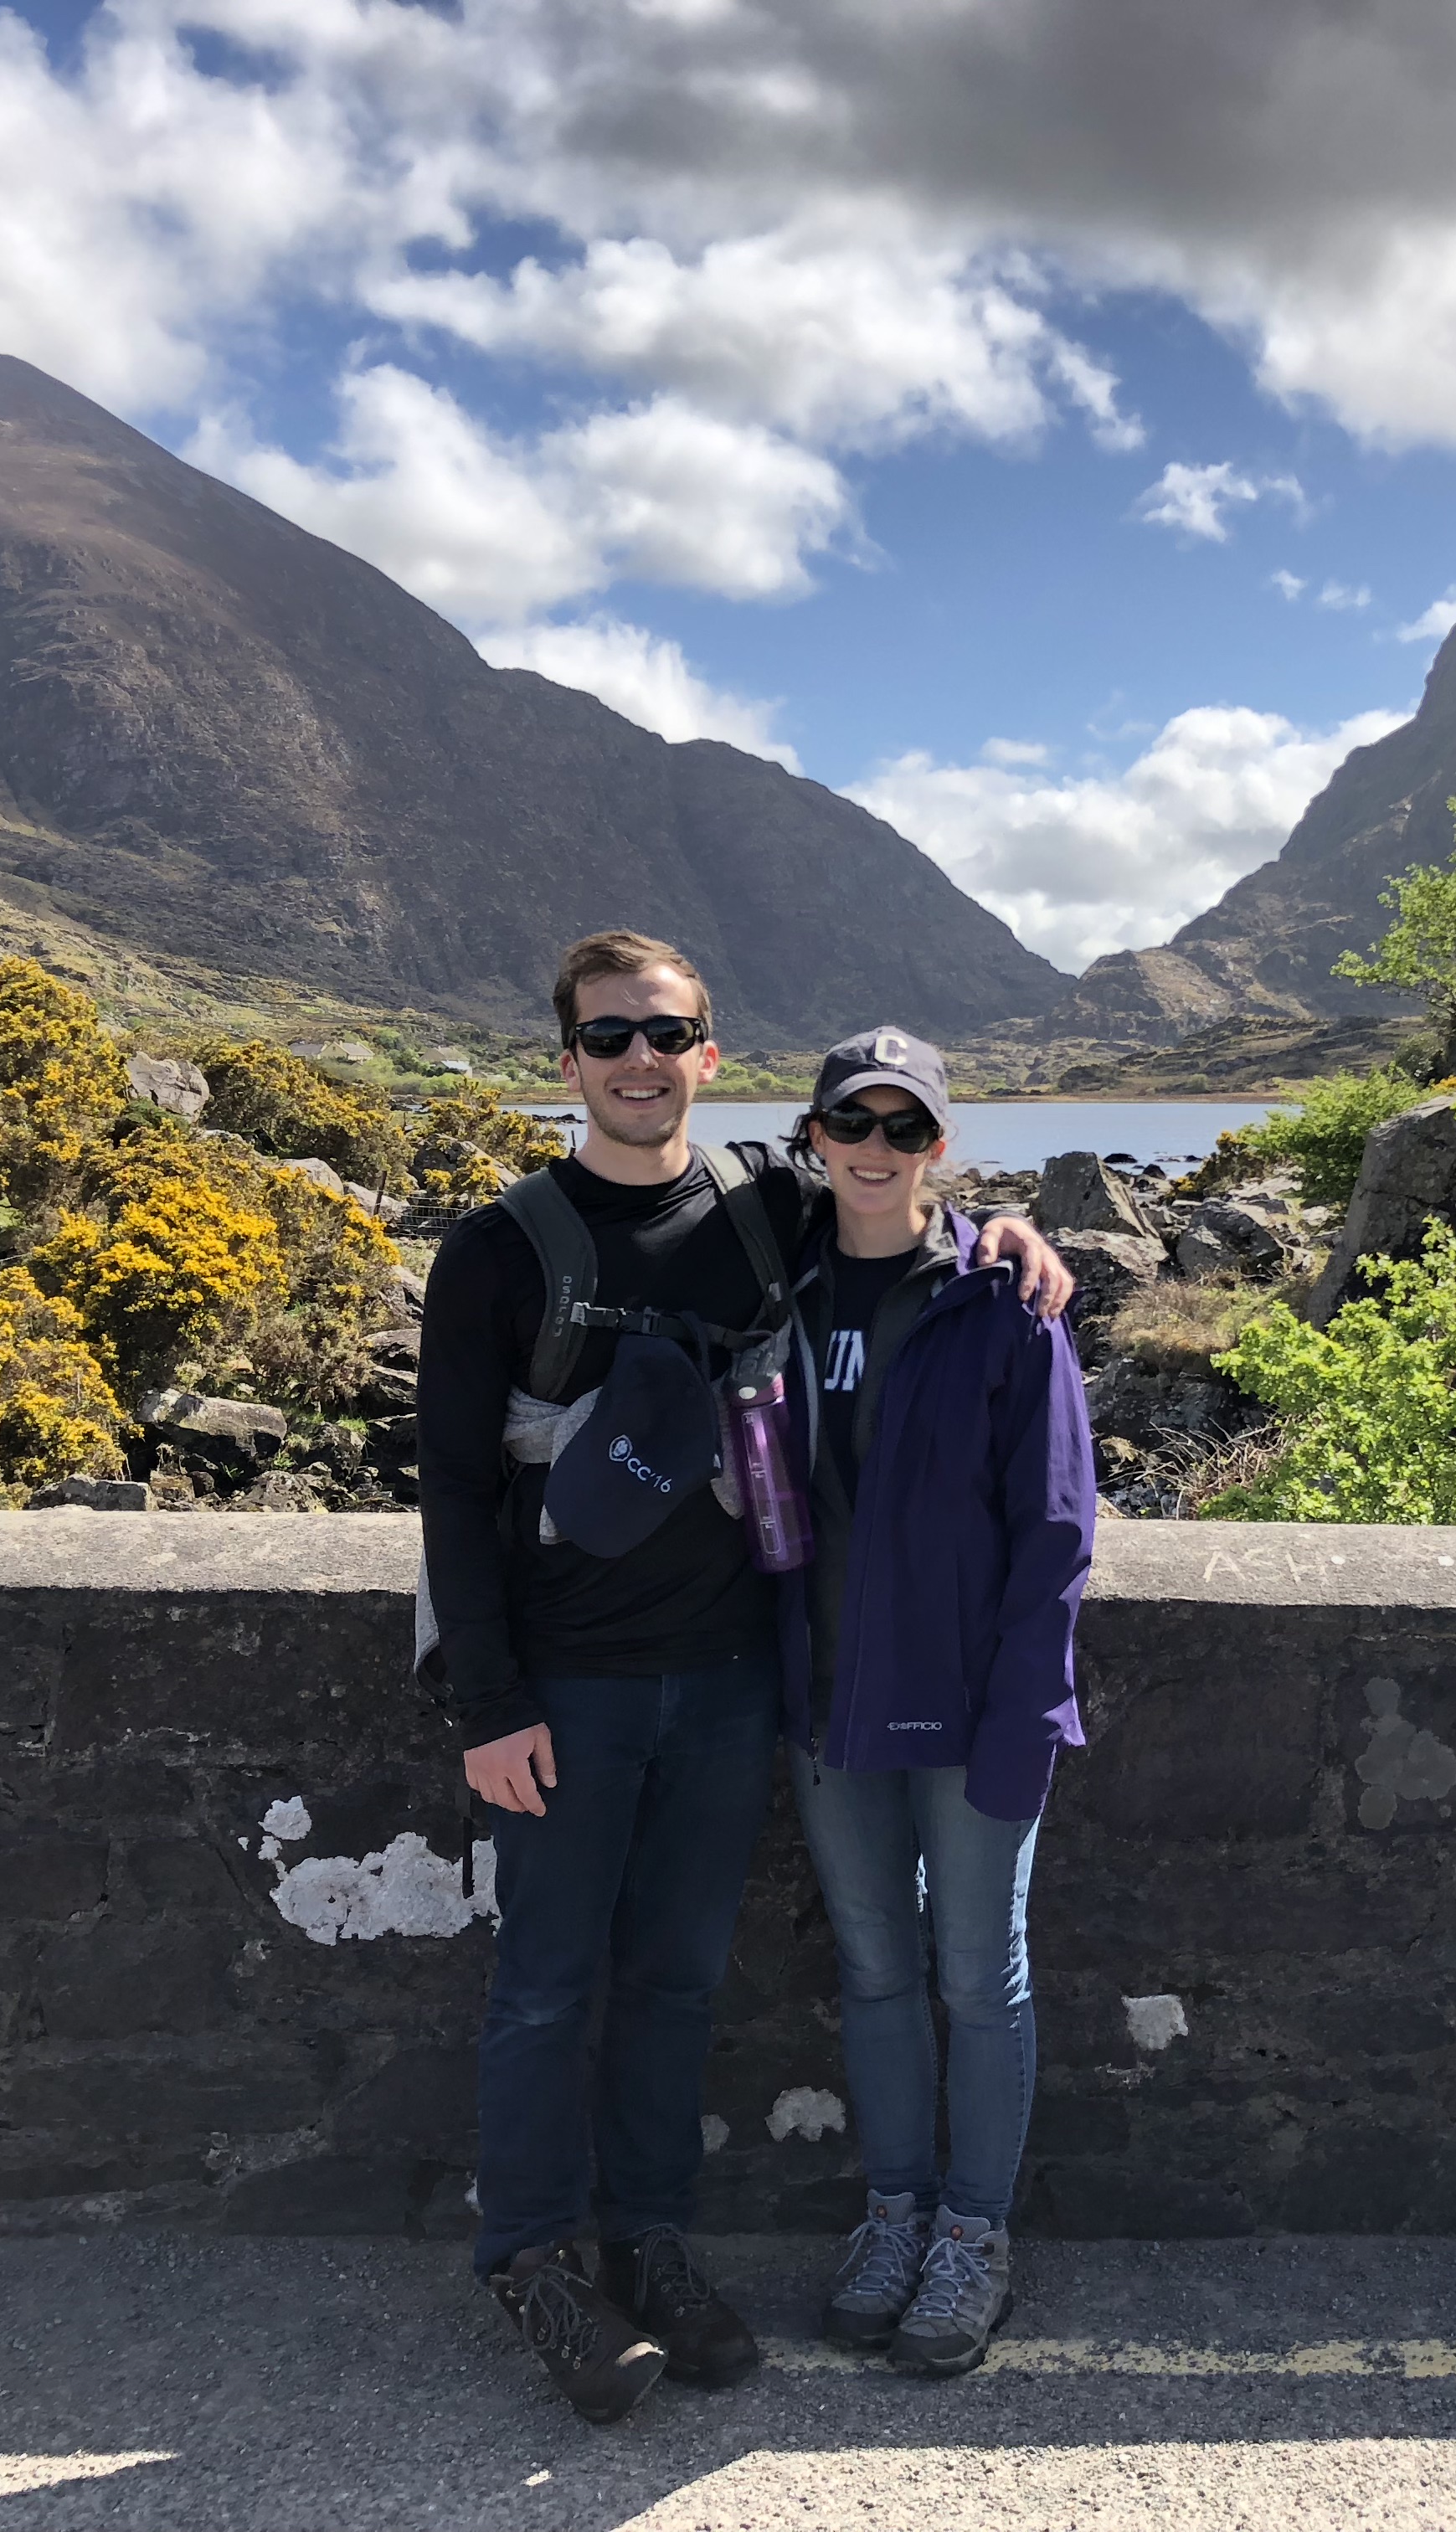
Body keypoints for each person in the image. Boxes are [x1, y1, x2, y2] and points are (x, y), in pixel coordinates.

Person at [414, 935, 1071, 2426]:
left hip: (725, 1685)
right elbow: (454, 1488)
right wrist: (487, 1701)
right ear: (567, 1059)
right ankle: (532, 2260)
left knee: (675, 1986)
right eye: (609, 1038)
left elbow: (900, 1207)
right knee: (542, 1993)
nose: (639, 1062)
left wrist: (1017, 1232)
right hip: (563, 1689)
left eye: (668, 1035)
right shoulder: (498, 1249)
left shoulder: (765, 1209)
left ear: (713, 1055)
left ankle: (647, 2243)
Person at [785, 1027, 1094, 2380]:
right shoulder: (773, 1283)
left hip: (968, 1706)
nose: (876, 1148)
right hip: (822, 1701)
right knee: (872, 1969)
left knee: (979, 1975)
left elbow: (1058, 1531)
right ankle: (896, 2214)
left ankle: (975, 2234)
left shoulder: (999, 1306)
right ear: (814, 1135)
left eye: (906, 1129)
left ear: (940, 1149)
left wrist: (1032, 1717)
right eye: (853, 1121)